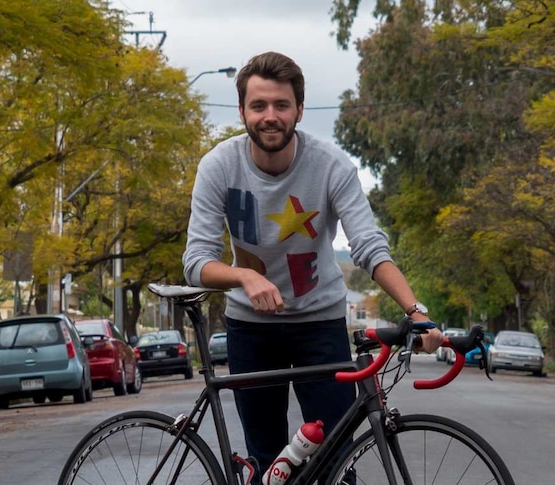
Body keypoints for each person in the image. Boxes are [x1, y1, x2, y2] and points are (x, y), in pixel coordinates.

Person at [182, 51, 444, 481]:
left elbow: (368, 246)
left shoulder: (331, 166)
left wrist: (416, 311)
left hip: (319, 324)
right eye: (259, 105)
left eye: (281, 105)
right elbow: (196, 263)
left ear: (300, 110)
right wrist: (245, 276)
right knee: (267, 462)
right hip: (251, 327)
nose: (270, 116)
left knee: (336, 462)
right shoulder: (218, 167)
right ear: (242, 111)